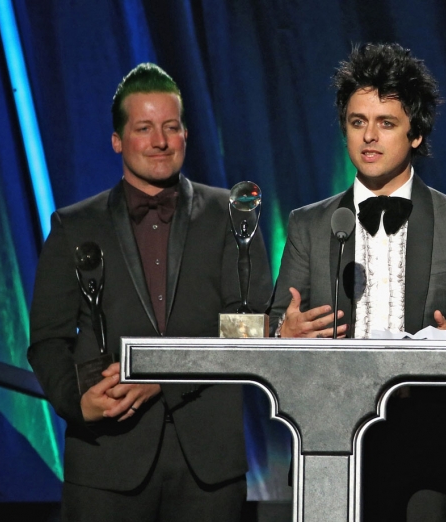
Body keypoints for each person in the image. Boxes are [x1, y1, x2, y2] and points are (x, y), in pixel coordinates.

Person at [268, 43, 446, 521]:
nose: (369, 137)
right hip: (330, 446)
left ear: (415, 133)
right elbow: (276, 321)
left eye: (386, 123)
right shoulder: (309, 225)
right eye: (358, 122)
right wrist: (284, 334)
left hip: (427, 449)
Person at [28, 63, 272, 521]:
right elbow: (48, 339)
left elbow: (249, 328)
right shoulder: (74, 225)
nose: (160, 141)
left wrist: (160, 374)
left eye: (170, 127)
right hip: (105, 461)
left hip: (209, 468)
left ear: (185, 134)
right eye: (144, 128)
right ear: (118, 139)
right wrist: (78, 403)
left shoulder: (232, 216)